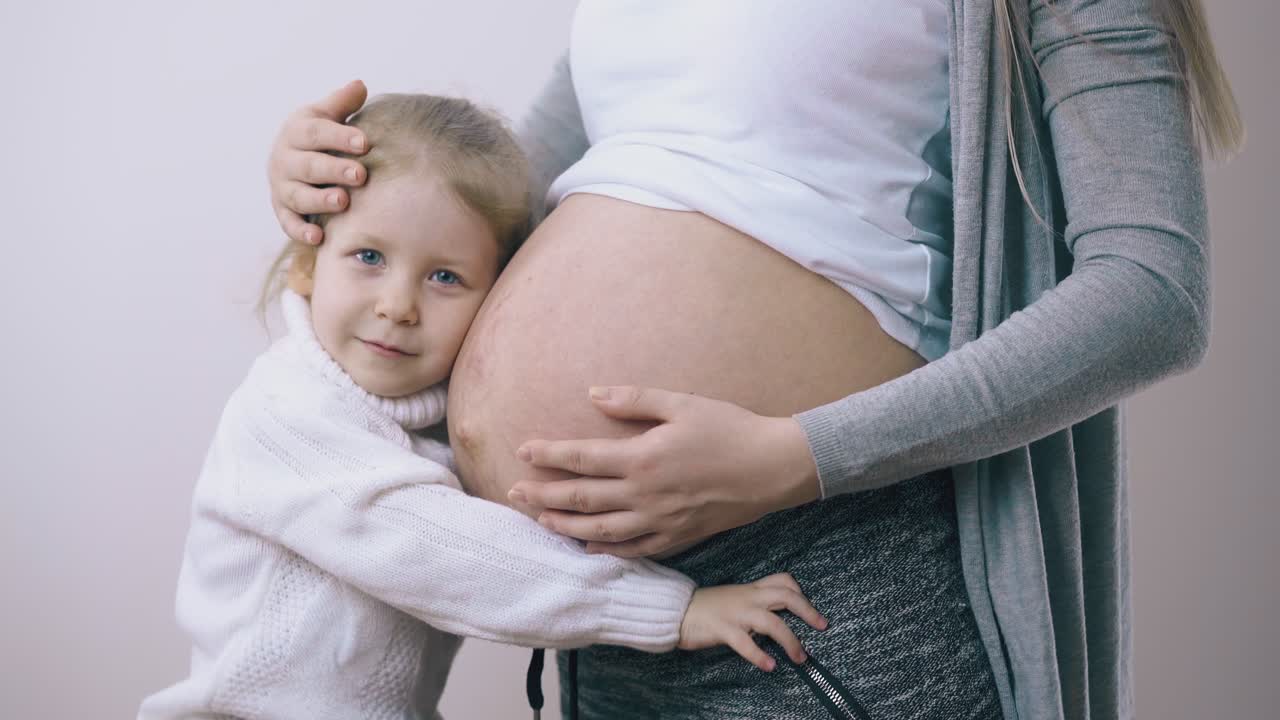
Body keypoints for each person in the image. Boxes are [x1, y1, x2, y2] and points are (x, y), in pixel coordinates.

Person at [265, 1, 1242, 718]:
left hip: (810, 584)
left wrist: (793, 455)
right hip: (617, 616)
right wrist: (344, 180)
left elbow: (1151, 296)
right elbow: (497, 204)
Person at [139, 92, 827, 720]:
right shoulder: (288, 415)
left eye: (444, 276)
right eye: (369, 256)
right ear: (308, 264)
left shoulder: (410, 412)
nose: (397, 305)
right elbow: (441, 553)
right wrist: (671, 610)